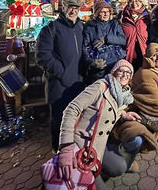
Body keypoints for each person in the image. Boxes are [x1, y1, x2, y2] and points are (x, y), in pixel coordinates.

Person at [57, 60, 141, 189]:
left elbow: (112, 108)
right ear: (113, 72)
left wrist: (124, 114)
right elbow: (71, 109)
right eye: (121, 70)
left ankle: (98, 172)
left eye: (128, 72)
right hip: (81, 146)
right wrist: (66, 147)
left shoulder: (123, 95)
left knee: (120, 167)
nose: (125, 74)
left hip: (99, 146)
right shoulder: (100, 87)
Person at [36, 0, 85, 152]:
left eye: (76, 8)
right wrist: (62, 73)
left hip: (79, 82)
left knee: (77, 118)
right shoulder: (51, 29)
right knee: (59, 118)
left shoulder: (82, 27)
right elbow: (43, 56)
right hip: (58, 83)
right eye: (70, 7)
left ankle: (74, 148)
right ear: (63, 8)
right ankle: (57, 151)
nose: (73, 11)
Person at [83, 0, 126, 82]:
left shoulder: (115, 24)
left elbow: (123, 40)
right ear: (96, 13)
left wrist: (106, 39)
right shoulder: (90, 28)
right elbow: (84, 48)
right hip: (100, 66)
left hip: (115, 63)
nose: (106, 14)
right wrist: (91, 62)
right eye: (102, 12)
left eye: (107, 11)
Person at [120, 0, 150, 71]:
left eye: (137, 1)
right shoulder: (122, 17)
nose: (134, 3)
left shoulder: (148, 17)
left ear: (141, 2)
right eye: (131, 1)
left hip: (144, 52)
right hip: (128, 53)